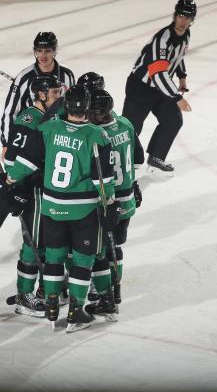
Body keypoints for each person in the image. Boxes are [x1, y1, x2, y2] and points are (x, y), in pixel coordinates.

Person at [3, 85, 119, 333]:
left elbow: (26, 161)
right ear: (86, 107)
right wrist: (109, 204)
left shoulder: (48, 128)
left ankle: (52, 304)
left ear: (67, 106)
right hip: (83, 209)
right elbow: (104, 180)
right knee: (82, 258)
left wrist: (10, 179)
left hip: (52, 207)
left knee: (54, 255)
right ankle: (77, 309)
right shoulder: (97, 135)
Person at [0, 32, 75, 261]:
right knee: (12, 187)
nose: (43, 55)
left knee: (39, 192)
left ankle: (41, 238)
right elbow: (10, 111)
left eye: (48, 50)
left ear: (55, 51)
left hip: (54, 140)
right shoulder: (24, 77)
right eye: (39, 50)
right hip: (28, 136)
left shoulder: (67, 76)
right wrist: (6, 142)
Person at [0, 75, 63, 317]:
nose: (59, 97)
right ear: (41, 95)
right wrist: (17, 184)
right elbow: (12, 158)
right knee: (34, 242)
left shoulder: (49, 115)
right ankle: (24, 295)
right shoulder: (28, 118)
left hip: (47, 187)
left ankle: (47, 290)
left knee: (48, 240)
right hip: (34, 189)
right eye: (54, 93)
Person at [86, 88, 144, 318]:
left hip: (108, 197)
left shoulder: (97, 133)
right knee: (116, 246)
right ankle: (114, 290)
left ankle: (105, 288)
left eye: (93, 112)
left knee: (102, 248)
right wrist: (134, 182)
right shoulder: (126, 123)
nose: (90, 116)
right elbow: (138, 157)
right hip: (127, 195)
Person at [122, 0, 196, 178]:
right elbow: (158, 73)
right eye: (180, 16)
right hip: (141, 87)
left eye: (187, 17)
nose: (183, 21)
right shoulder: (162, 39)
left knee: (173, 120)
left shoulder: (185, 35)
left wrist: (182, 76)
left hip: (160, 88)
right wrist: (177, 98)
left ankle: (156, 158)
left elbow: (178, 57)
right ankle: (120, 165)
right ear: (174, 15)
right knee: (129, 129)